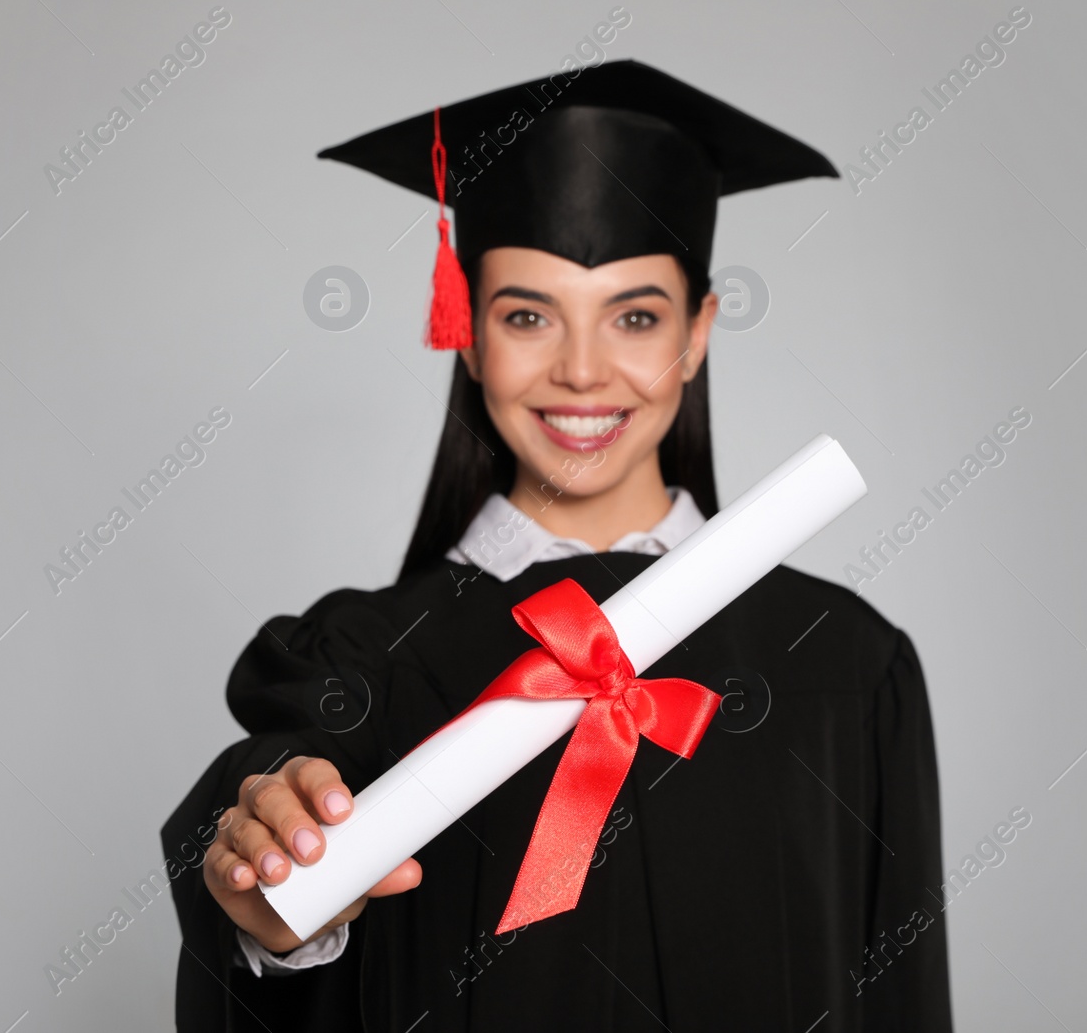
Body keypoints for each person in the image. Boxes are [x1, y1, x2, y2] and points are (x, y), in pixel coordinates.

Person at [164, 60, 951, 1031]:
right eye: (527, 316)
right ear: (470, 335)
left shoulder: (842, 659)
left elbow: (903, 1002)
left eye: (635, 316)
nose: (581, 371)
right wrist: (267, 900)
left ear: (697, 332)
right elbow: (265, 863)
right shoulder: (362, 662)